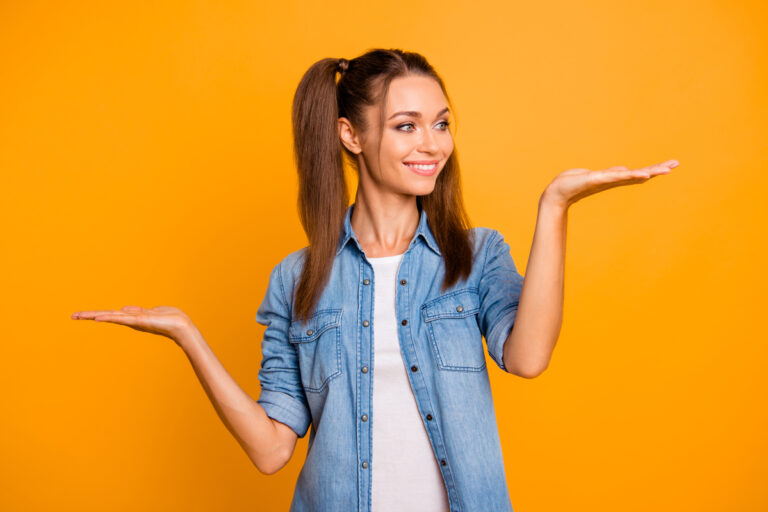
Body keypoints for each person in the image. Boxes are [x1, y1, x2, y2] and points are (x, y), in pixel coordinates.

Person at [71, 48, 679, 511]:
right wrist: (187, 335)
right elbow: (271, 450)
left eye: (441, 124)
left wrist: (554, 208)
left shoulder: (474, 255)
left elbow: (528, 357)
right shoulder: (296, 281)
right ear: (350, 135)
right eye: (406, 125)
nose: (433, 145)